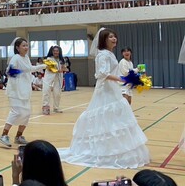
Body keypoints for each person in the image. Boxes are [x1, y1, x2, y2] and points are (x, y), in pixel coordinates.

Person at [58, 28, 150, 169]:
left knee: (115, 119)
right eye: (110, 37)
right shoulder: (102, 55)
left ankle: (113, 149)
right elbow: (102, 74)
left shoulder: (110, 54)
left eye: (114, 36)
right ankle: (102, 151)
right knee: (104, 117)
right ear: (104, 40)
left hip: (112, 88)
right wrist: (122, 79)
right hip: (105, 90)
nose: (114, 39)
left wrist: (131, 78)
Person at [0, 37, 46, 147]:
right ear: (17, 48)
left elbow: (29, 68)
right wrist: (22, 71)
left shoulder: (26, 58)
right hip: (15, 90)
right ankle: (4, 135)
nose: (26, 47)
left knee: (26, 113)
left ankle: (19, 136)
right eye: (23, 45)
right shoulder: (16, 58)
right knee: (16, 112)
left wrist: (42, 66)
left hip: (25, 89)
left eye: (27, 45)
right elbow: (9, 72)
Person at [41, 46, 66, 115]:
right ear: (52, 51)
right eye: (54, 51)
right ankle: (45, 108)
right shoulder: (49, 59)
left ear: (59, 52)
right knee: (46, 92)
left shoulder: (61, 60)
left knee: (57, 93)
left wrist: (63, 69)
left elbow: (64, 68)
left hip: (58, 78)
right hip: (49, 77)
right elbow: (50, 69)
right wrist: (59, 70)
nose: (55, 52)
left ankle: (56, 108)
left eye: (57, 51)